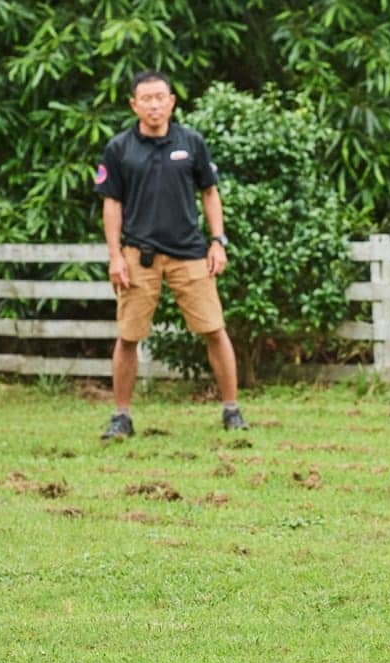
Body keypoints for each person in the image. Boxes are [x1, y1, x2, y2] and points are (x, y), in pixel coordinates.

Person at [93, 70, 247, 438]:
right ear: (134, 104)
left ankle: (232, 411)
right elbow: (111, 204)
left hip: (190, 254)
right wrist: (115, 256)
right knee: (128, 336)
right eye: (145, 99)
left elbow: (210, 193)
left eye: (160, 97)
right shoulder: (118, 149)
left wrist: (218, 241)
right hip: (137, 255)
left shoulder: (191, 142)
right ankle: (121, 417)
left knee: (214, 329)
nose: (154, 105)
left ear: (172, 101)